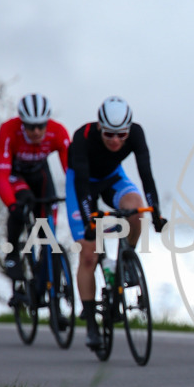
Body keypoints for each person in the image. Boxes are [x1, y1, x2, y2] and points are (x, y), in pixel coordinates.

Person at [66, 96, 167, 350]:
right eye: (109, 134)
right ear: (100, 127)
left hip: (112, 178)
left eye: (121, 135)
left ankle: (126, 258)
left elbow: (146, 173)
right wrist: (91, 222)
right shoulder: (82, 137)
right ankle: (90, 323)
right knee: (89, 254)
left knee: (136, 208)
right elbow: (81, 186)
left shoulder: (136, 133)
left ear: (128, 130)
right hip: (82, 184)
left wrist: (156, 212)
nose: (115, 141)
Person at [0, 93, 70, 281]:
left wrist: (77, 194)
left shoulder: (58, 131)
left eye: (41, 126)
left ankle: (46, 263)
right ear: (22, 123)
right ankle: (12, 254)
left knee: (48, 226)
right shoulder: (9, 130)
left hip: (40, 175)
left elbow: (71, 170)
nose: (36, 131)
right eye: (30, 126)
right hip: (16, 175)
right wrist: (11, 205)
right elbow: (2, 175)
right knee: (21, 203)